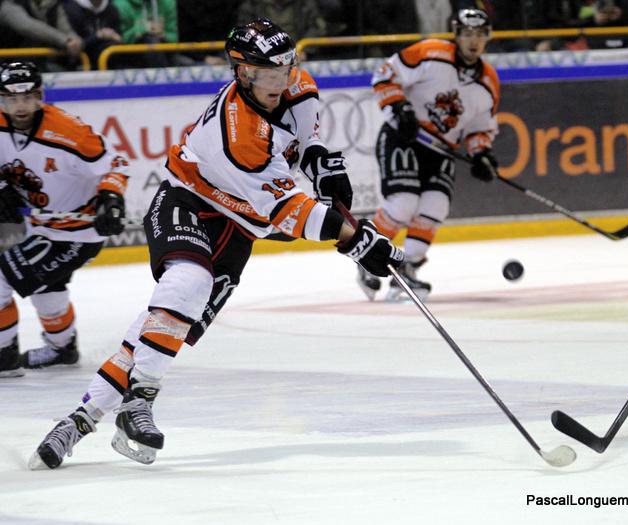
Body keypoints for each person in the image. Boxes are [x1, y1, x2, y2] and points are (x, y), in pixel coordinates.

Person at [28, 18, 403, 469]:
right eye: (267, 73)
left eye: (286, 68)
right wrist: (357, 241)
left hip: (239, 229)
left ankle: (80, 418)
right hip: (189, 202)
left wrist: (320, 160)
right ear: (242, 73)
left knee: (163, 327)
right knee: (187, 283)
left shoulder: (296, 84)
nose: (281, 81)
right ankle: (139, 401)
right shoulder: (238, 134)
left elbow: (305, 135)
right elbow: (290, 212)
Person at [359, 8, 500, 302]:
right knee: (403, 203)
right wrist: (399, 107)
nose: (473, 41)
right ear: (456, 34)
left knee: (436, 206)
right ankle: (366, 255)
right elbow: (385, 75)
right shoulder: (430, 53)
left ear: (487, 37)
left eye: (479, 35)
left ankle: (407, 269)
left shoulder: (488, 81)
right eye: (467, 34)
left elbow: (480, 127)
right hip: (404, 137)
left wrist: (481, 153)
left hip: (441, 150)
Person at [0, 61, 129, 378]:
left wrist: (111, 199)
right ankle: (62, 349)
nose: (20, 107)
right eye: (12, 99)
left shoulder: (69, 132)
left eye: (27, 97)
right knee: (47, 289)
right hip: (38, 227)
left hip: (77, 233)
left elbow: (116, 163)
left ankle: (4, 356)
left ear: (40, 95)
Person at [63, 0, 123, 69]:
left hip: (111, 58)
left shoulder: (111, 8)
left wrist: (117, 37)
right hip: (82, 61)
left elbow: (119, 35)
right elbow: (76, 43)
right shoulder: (73, 8)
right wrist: (98, 36)